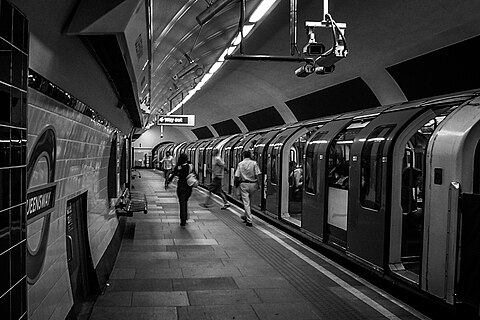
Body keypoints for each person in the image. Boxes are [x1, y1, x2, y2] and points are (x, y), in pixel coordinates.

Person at [234, 150, 261, 227]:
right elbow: (258, 175)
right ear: (250, 156)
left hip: (244, 184)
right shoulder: (254, 163)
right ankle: (246, 216)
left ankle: (249, 220)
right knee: (251, 202)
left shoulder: (240, 164)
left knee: (246, 203)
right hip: (253, 184)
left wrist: (235, 184)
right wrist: (259, 184)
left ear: (243, 156)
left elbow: (237, 176)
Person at [166, 153, 193, 227]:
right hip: (188, 187)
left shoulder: (178, 166)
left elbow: (174, 174)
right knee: (185, 202)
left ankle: (183, 220)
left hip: (181, 186)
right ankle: (185, 215)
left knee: (182, 203)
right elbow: (194, 174)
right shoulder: (189, 166)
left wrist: (168, 182)